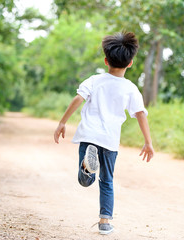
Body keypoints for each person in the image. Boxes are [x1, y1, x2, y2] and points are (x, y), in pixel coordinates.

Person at [54, 32, 154, 235]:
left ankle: (86, 168)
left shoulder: (94, 80)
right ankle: (105, 221)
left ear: (106, 61)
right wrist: (148, 142)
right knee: (107, 181)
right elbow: (141, 115)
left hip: (89, 135)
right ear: (131, 63)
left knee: (85, 181)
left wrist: (62, 122)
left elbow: (77, 99)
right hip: (109, 140)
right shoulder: (131, 88)